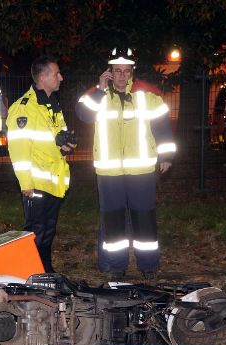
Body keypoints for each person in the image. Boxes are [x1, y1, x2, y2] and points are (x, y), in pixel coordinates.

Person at [76, 47, 176, 282]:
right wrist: (100, 90)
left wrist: (167, 156)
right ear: (109, 72)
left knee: (145, 220)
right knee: (113, 222)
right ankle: (116, 266)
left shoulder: (148, 95)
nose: (122, 76)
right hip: (109, 172)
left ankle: (148, 265)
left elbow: (162, 128)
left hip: (141, 170)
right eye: (117, 71)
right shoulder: (96, 96)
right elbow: (83, 115)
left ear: (132, 71)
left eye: (126, 71)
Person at [6, 55, 76, 273]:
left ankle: (44, 271)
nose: (61, 78)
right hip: (35, 184)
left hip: (52, 181)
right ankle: (30, 274)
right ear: (44, 77)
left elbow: (57, 139)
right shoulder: (24, 108)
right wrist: (26, 184)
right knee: (35, 232)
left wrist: (67, 145)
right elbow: (19, 150)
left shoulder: (51, 105)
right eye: (56, 73)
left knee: (47, 231)